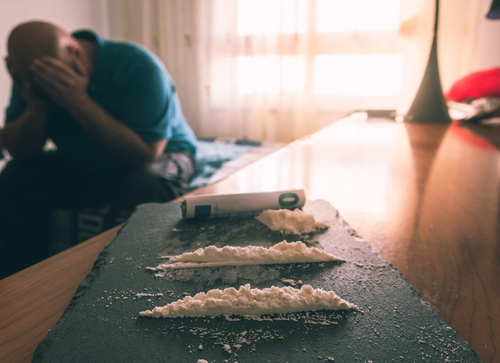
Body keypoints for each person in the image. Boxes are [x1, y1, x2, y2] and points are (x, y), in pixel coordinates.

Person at [0, 21, 197, 278]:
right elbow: (21, 152)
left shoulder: (139, 66)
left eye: (55, 80)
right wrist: (36, 108)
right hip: (87, 161)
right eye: (40, 82)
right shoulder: (32, 75)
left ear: (76, 53)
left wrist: (78, 101)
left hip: (159, 153)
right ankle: (19, 284)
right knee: (15, 176)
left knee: (149, 183)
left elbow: (147, 153)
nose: (48, 86)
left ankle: (143, 280)